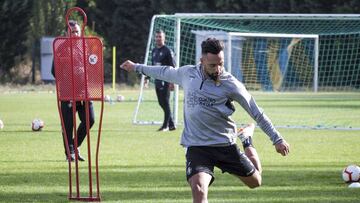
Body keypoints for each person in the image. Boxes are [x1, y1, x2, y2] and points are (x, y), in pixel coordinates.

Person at [120, 38, 290, 203]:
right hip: (197, 146)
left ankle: (246, 139)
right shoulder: (187, 74)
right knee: (199, 190)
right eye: (213, 65)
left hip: (224, 145)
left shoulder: (231, 84)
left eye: (221, 63)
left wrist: (277, 139)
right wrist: (136, 67)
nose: (218, 69)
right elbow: (164, 72)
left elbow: (256, 112)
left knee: (256, 182)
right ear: (202, 60)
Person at [52, 20, 95, 162]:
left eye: (77, 31)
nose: (75, 34)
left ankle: (74, 146)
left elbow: (90, 66)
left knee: (90, 120)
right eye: (72, 32)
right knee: (68, 125)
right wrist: (69, 75)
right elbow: (54, 71)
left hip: (84, 92)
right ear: (66, 33)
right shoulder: (61, 48)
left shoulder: (84, 46)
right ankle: (69, 153)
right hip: (67, 92)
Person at [147, 30, 176, 131]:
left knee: (166, 102)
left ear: (164, 38)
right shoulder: (154, 50)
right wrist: (147, 78)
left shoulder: (167, 50)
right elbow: (152, 66)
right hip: (157, 80)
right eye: (157, 37)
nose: (158, 38)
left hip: (166, 80)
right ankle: (171, 124)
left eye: (160, 37)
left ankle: (165, 125)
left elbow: (173, 66)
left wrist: (172, 82)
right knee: (161, 102)